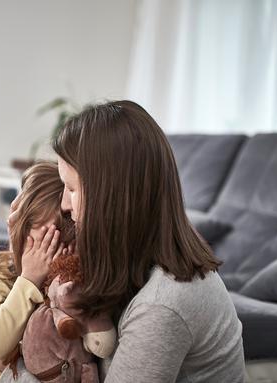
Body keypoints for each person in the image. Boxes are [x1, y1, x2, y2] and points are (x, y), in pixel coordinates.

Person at [51, 100, 245, 382]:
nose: (64, 205)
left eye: (71, 188)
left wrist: (11, 369)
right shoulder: (130, 265)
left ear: (112, 196)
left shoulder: (162, 305)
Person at [0, 161, 75, 383]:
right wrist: (28, 280)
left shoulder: (73, 286)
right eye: (42, 244)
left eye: (57, 245)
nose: (46, 258)